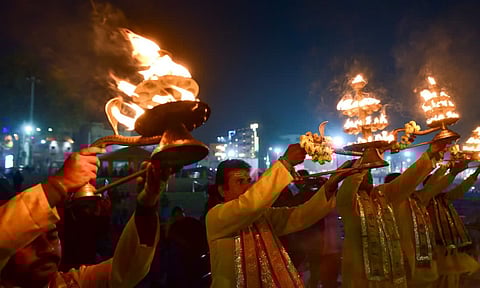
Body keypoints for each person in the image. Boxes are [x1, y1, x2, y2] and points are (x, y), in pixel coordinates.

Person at [0, 147, 174, 288]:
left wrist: (148, 202)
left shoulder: (72, 283)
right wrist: (59, 185)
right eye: (32, 242)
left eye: (53, 238)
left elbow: (127, 269)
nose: (49, 250)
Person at [206, 143, 354, 287]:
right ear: (222, 190)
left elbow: (299, 216)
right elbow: (249, 205)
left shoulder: (261, 217)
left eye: (249, 181)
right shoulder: (216, 216)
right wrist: (285, 163)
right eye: (240, 181)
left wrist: (329, 187)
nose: (248, 186)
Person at [336, 142, 447, 288]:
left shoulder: (382, 195)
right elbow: (348, 188)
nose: (367, 175)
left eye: (369, 172)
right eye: (363, 173)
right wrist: (362, 164)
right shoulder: (347, 202)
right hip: (362, 275)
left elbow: (408, 179)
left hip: (392, 275)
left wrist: (429, 154)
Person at [426, 164, 480, 288]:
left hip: (449, 251)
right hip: (434, 252)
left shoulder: (444, 198)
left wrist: (477, 172)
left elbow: (462, 189)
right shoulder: (421, 201)